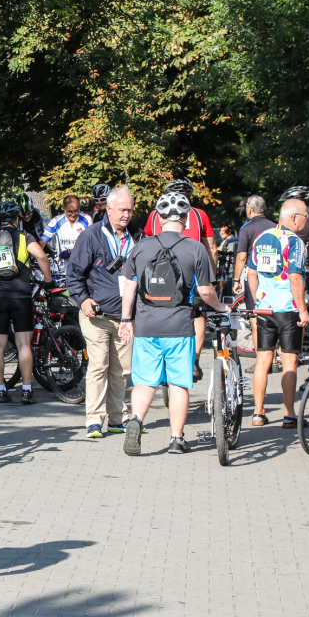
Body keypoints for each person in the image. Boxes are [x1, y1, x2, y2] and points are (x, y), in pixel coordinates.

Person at [119, 192, 228, 456]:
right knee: (178, 383)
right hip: (180, 327)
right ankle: (176, 439)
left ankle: (136, 420)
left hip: (146, 326)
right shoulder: (195, 248)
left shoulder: (141, 247)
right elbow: (205, 291)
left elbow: (129, 289)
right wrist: (220, 307)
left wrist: (126, 320)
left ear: (158, 217)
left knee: (145, 382)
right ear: (187, 217)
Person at [67, 186, 135, 438]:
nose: (126, 215)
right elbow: (73, 274)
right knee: (98, 366)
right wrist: (82, 299)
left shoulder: (136, 235)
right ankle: (94, 421)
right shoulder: (92, 235)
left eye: (129, 210)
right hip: (96, 314)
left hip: (125, 317)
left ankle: (118, 418)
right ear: (108, 208)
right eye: (122, 210)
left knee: (121, 371)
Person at [0, 203, 54, 404]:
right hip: (21, 297)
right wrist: (48, 279)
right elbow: (41, 256)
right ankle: (26, 390)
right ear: (17, 220)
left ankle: (0, 390)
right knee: (23, 343)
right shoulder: (25, 238)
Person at [245, 198, 309, 428]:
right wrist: (303, 309)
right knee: (289, 362)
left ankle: (258, 412)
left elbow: (251, 274)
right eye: (305, 216)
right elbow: (295, 277)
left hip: (264, 308)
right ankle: (289, 414)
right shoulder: (295, 242)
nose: (307, 220)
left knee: (263, 359)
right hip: (288, 310)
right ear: (294, 218)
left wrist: (257, 299)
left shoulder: (262, 238)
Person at [144, 178, 218, 380]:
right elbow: (210, 247)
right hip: (191, 270)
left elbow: (147, 241)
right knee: (198, 314)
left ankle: (160, 358)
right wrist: (211, 276)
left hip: (159, 274)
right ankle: (193, 360)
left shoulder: (153, 215)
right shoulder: (199, 214)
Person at [233, 195, 275, 354]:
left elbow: (242, 256)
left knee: (256, 319)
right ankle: (275, 357)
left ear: (250, 209)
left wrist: (236, 279)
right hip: (272, 276)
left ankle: (261, 359)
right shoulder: (275, 226)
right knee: (272, 317)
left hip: (253, 276)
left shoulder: (246, 228)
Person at [41, 195, 91, 261]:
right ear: (64, 209)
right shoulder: (56, 221)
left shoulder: (87, 219)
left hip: (82, 263)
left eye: (76, 211)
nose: (73, 214)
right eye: (70, 212)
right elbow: (42, 241)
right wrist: (38, 258)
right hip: (63, 265)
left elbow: (92, 242)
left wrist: (70, 252)